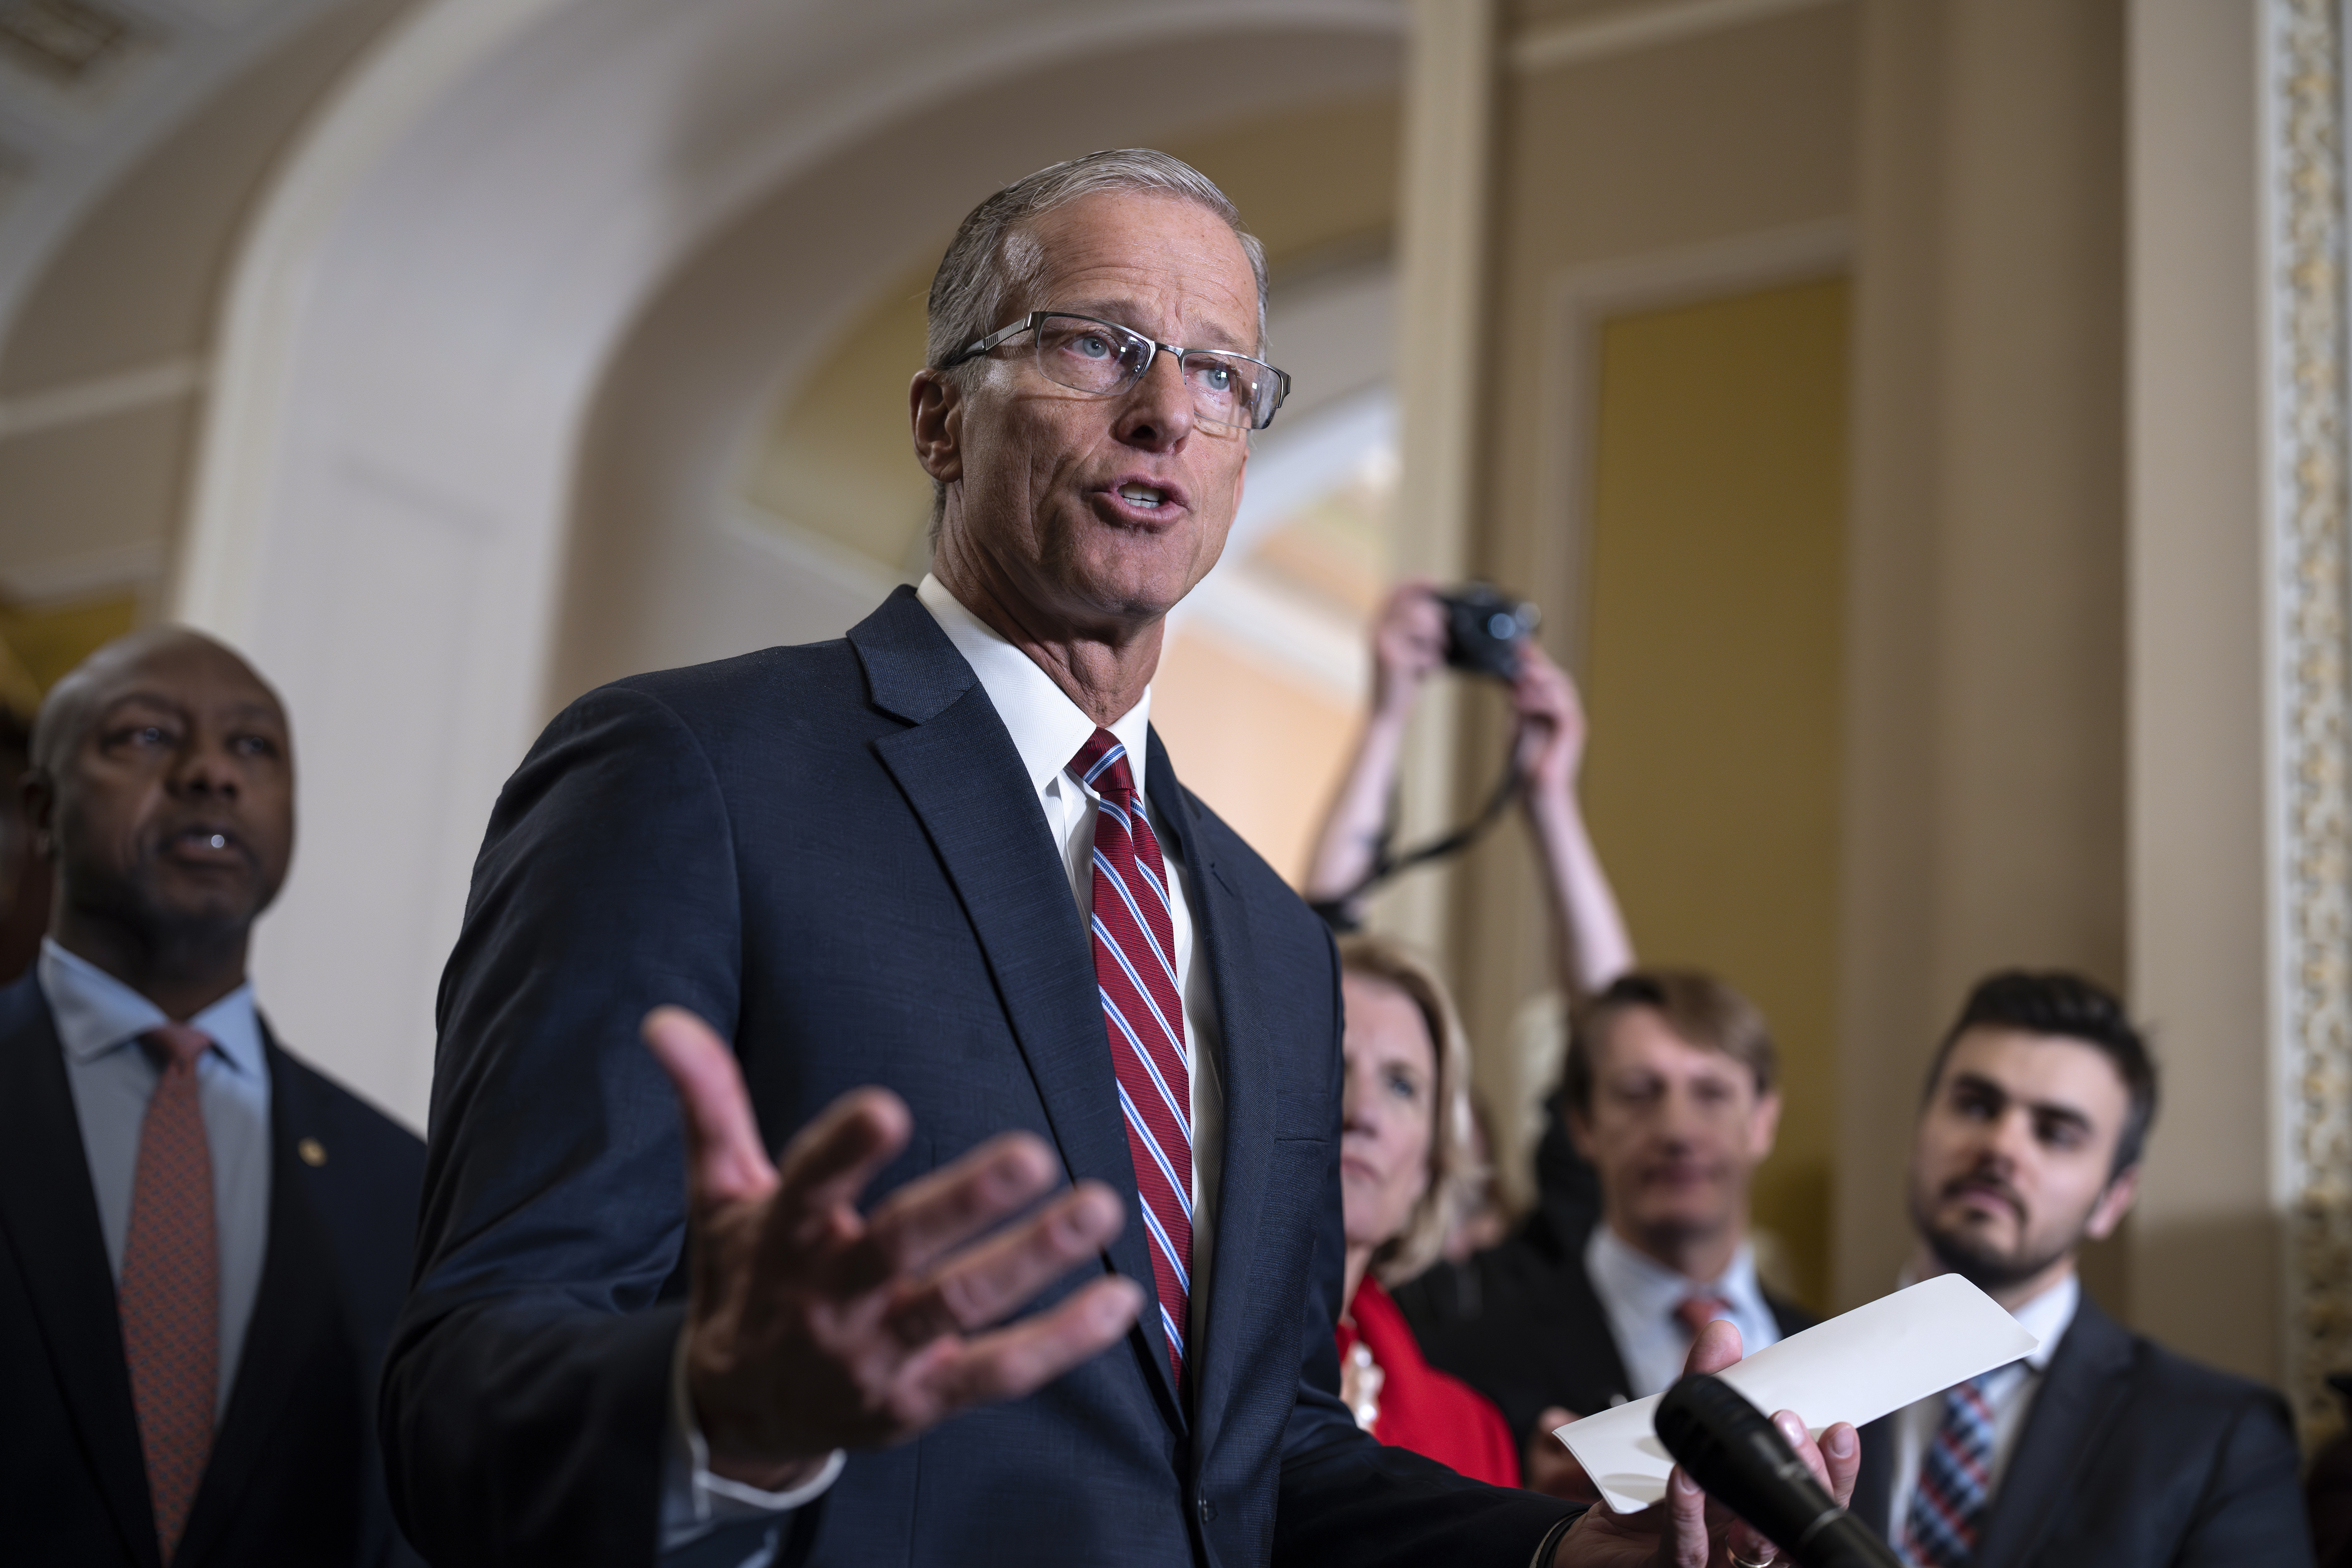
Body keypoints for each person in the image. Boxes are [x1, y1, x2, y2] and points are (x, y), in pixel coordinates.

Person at [381, 149, 1856, 1567]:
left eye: (1220, 374)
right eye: (1096, 345)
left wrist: (1565, 1552)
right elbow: (463, 1390)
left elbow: (1260, 1454)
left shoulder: (1275, 941)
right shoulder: (688, 772)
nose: (1166, 413)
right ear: (938, 421)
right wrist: (722, 1415)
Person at [0, 628, 425, 1566]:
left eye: (253, 746)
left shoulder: (409, 1187)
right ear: (41, 809)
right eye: (146, 736)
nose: (210, 773)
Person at [1851, 971, 2309, 1567]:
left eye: (2056, 1133)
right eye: (1975, 1105)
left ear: (2114, 1199)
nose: (2002, 1147)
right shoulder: (1785, 1380)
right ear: (1919, 1131)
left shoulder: (2221, 1438)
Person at [1412, 972, 1814, 1496]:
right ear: (1582, 1125)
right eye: (1638, 1093)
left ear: (1764, 1120)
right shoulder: (1469, 1367)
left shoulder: (1838, 1355)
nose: (1677, 1131)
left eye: (1711, 1093)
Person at [1333, 936, 1517, 1486]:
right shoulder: (1175, 1347)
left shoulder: (1472, 1434)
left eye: (1401, 1085)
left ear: (1429, 1168)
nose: (1361, 1111)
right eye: (1328, 1063)